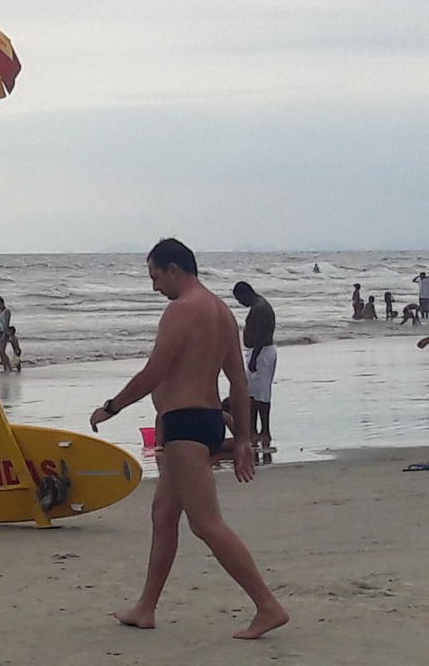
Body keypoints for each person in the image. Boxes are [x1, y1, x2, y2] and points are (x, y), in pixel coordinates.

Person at [89, 238, 288, 640]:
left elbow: (153, 373)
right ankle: (145, 608)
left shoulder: (181, 310)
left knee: (206, 523)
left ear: (173, 269)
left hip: (185, 426)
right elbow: (238, 381)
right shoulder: (221, 311)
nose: (154, 287)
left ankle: (268, 605)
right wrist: (242, 438)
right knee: (163, 514)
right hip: (208, 422)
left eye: (155, 277)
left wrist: (112, 407)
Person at [232, 281, 277, 448]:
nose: (240, 303)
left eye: (239, 299)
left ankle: (264, 431)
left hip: (262, 353)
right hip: (258, 352)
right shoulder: (258, 306)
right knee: (252, 394)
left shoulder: (260, 308)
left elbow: (261, 335)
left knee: (262, 395)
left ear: (246, 293)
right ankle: (254, 430)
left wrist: (254, 357)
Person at [0, 296, 16, 372]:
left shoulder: (7, 311)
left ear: (2, 303)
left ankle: (10, 367)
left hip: (3, 332)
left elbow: (6, 324)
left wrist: (4, 335)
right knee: (0, 352)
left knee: (2, 351)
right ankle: (5, 368)